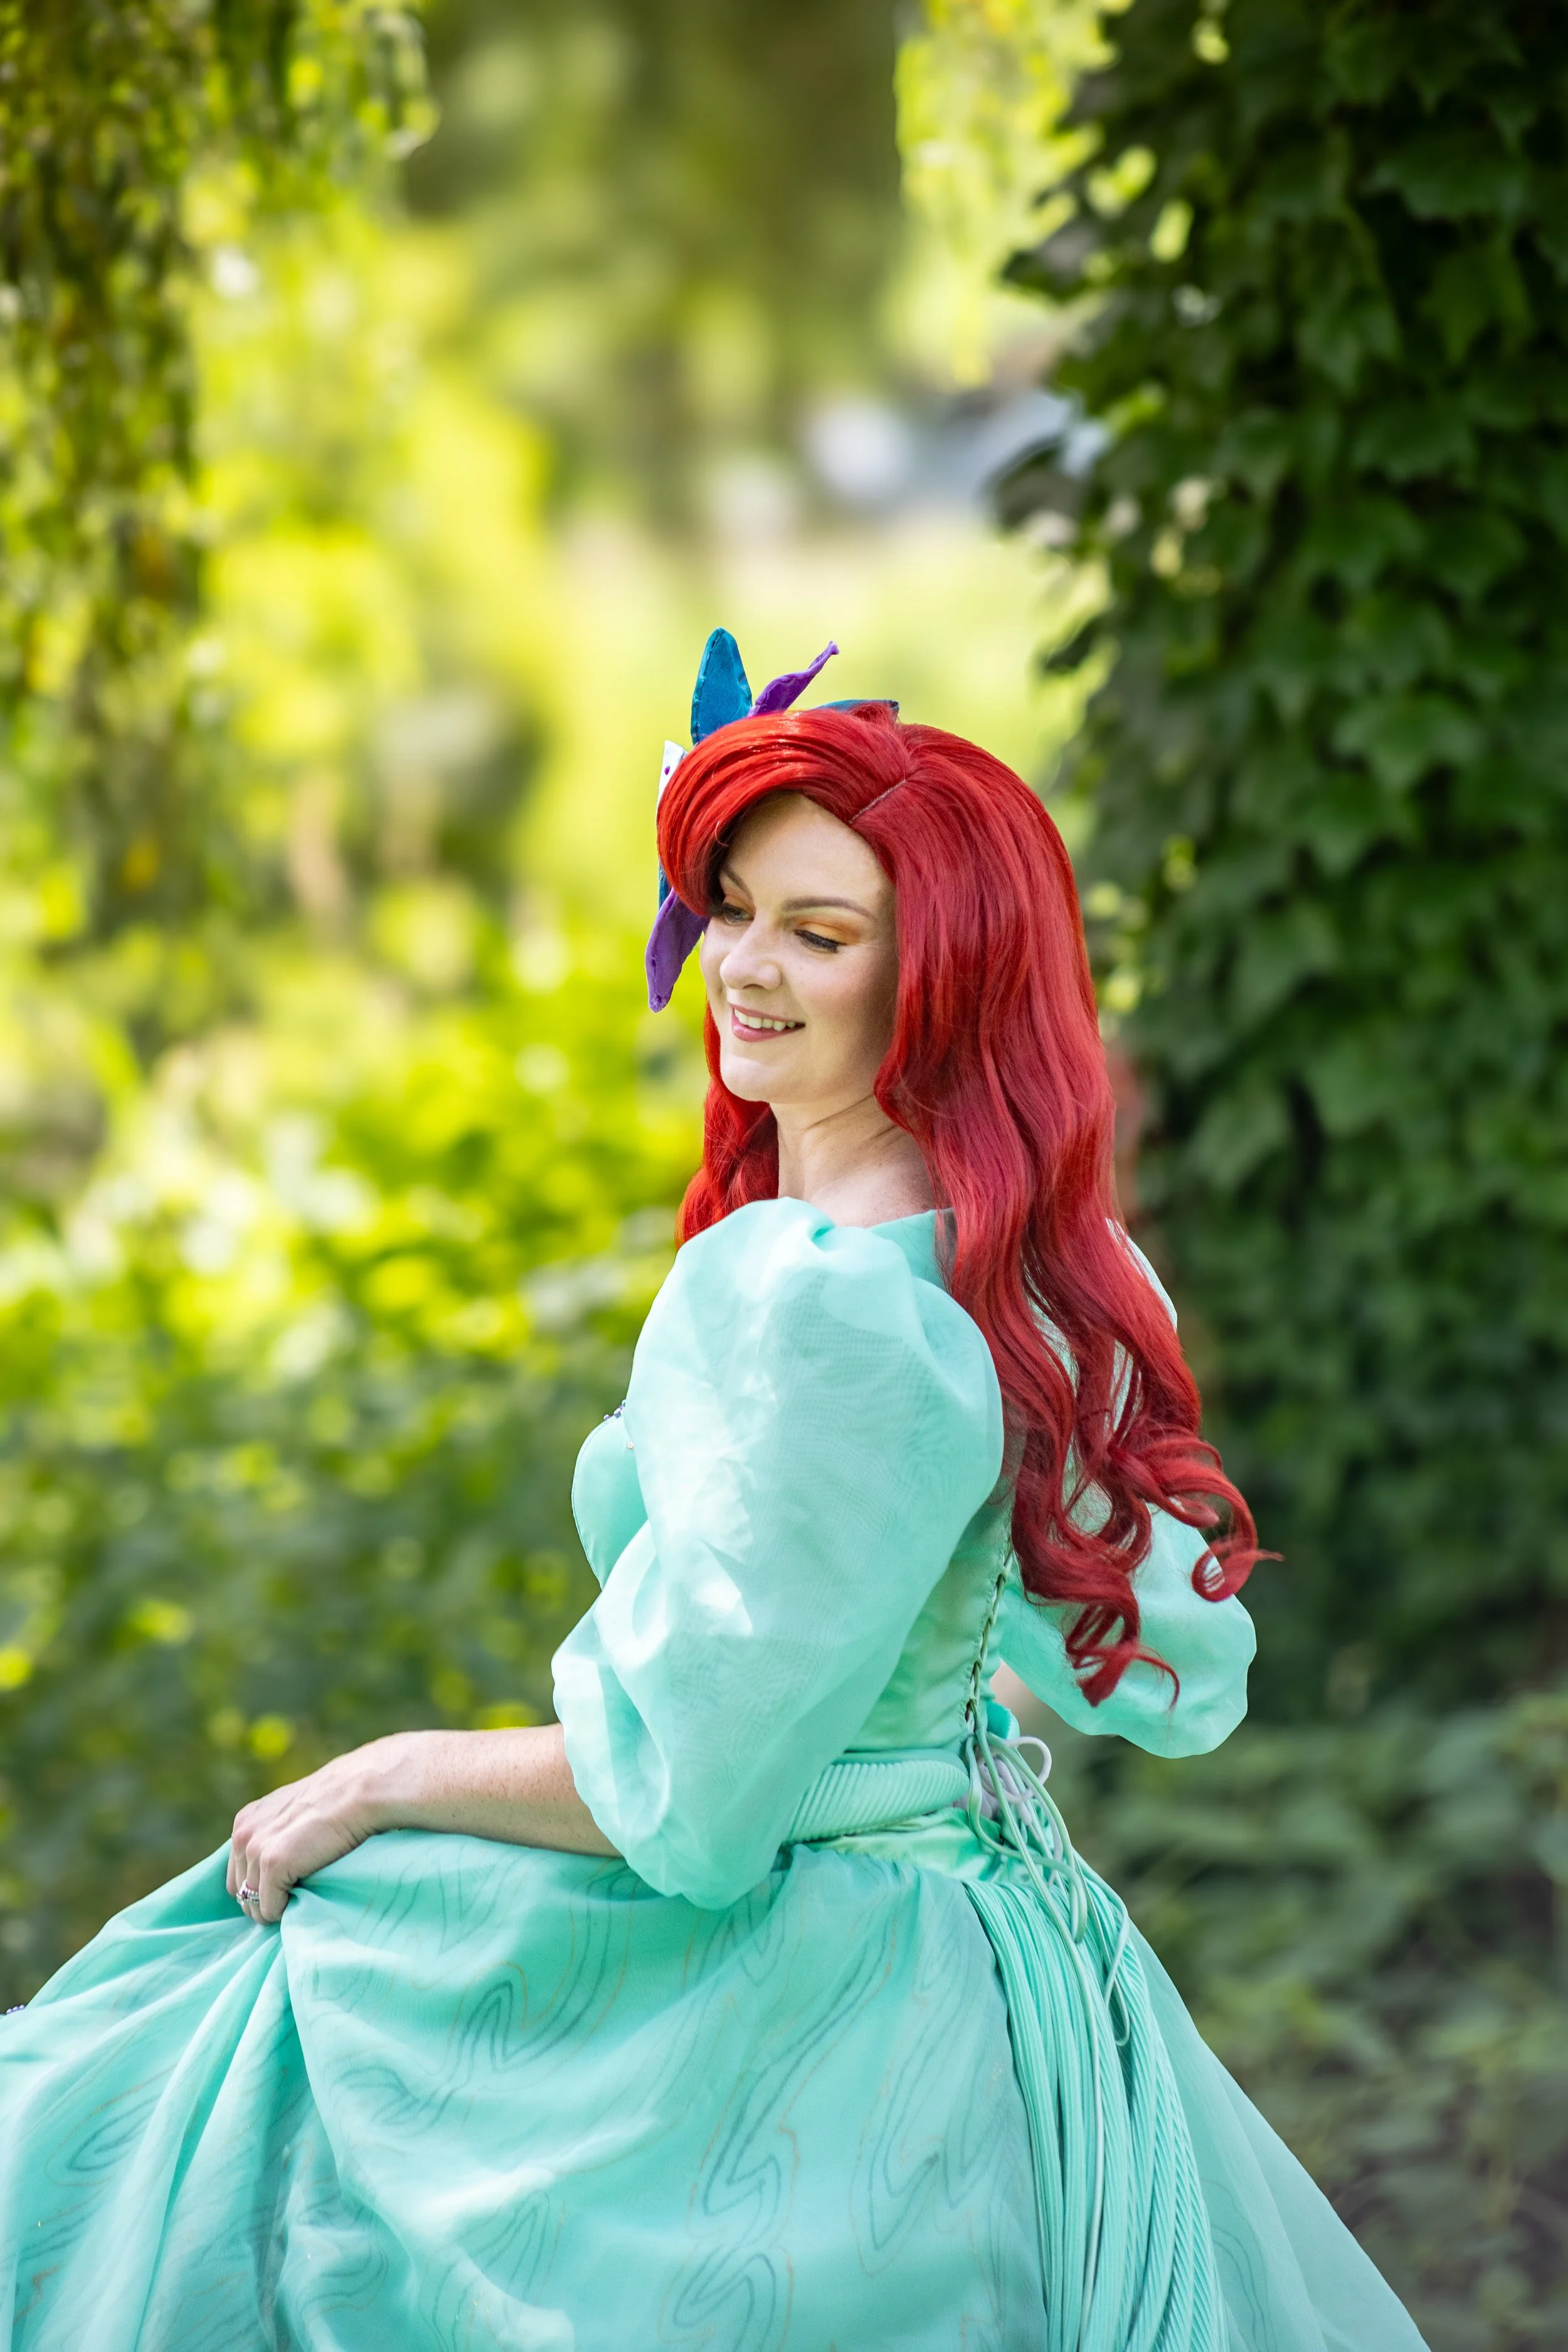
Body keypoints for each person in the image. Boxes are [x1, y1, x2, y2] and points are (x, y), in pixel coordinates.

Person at [0, 634, 1428, 2352]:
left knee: (192, 2111)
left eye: (819, 934)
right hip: (981, 1928)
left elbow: (682, 1787)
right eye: (735, 908)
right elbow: (1146, 1664)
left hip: (821, 1974)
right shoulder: (1029, 1269)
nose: (743, 966)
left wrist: (378, 1779)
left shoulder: (837, 1308)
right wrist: (912, 1703)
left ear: (946, 980)